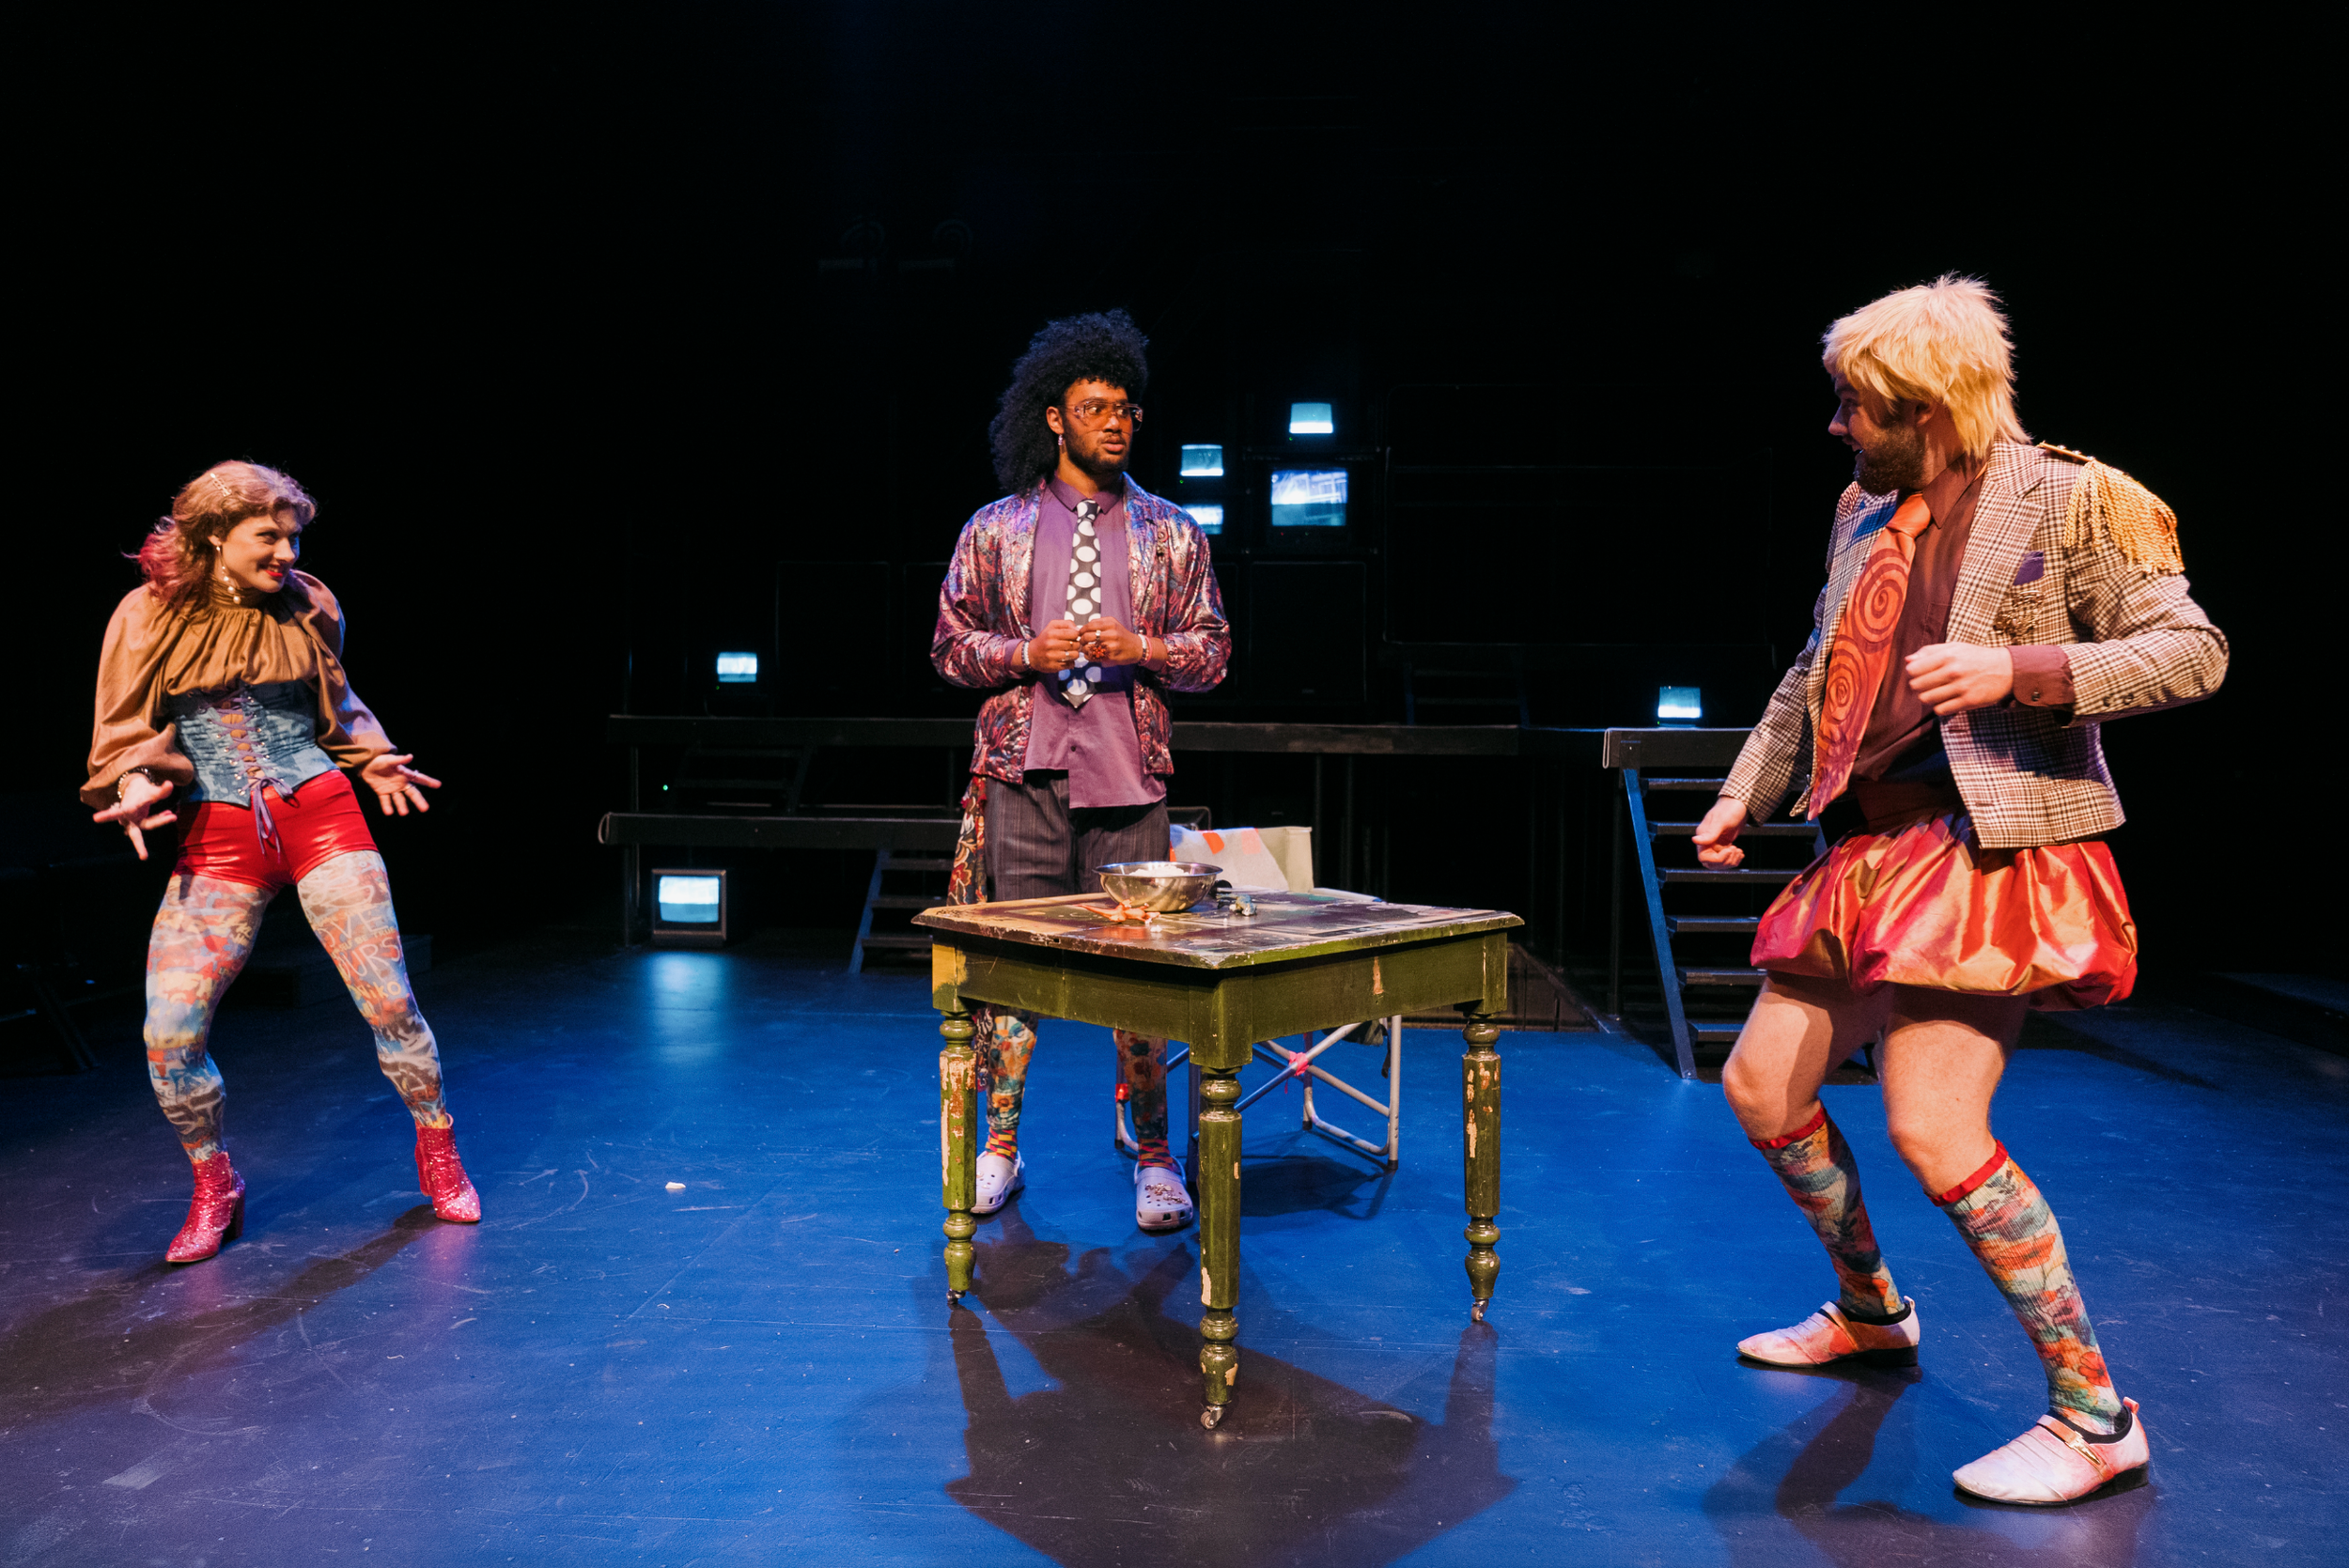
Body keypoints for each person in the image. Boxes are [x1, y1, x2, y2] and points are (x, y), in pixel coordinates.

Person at [1692, 276, 2226, 1505]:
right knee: (1763, 1086)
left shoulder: (2072, 495)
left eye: (1855, 410)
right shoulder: (1859, 510)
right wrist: (1745, 791)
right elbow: (1814, 672)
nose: (1837, 429)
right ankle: (1874, 1310)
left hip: (1985, 850)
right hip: (1869, 852)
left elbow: (2192, 650)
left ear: (1926, 409)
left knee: (1935, 1128)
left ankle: (2097, 1416)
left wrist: (2017, 667)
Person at [87, 459, 480, 1264]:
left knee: (388, 1001)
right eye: (267, 536)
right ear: (212, 536)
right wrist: (131, 781)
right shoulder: (147, 613)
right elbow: (125, 730)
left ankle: (437, 1146)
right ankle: (213, 1180)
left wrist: (369, 758)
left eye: (293, 535)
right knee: (168, 1032)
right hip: (219, 836)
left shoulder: (310, 601)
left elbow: (337, 706)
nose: (286, 551)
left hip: (321, 815)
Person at [932, 309, 1231, 1234]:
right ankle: (1002, 1150)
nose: (1115, 422)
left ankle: (1153, 1159)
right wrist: (1025, 650)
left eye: (1126, 408)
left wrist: (1143, 644)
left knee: (1140, 984)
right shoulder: (997, 529)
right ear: (1053, 417)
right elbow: (949, 648)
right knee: (1015, 974)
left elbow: (1213, 652)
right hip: (1023, 777)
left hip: (1128, 783)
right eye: (1094, 407)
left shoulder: (1170, 532)